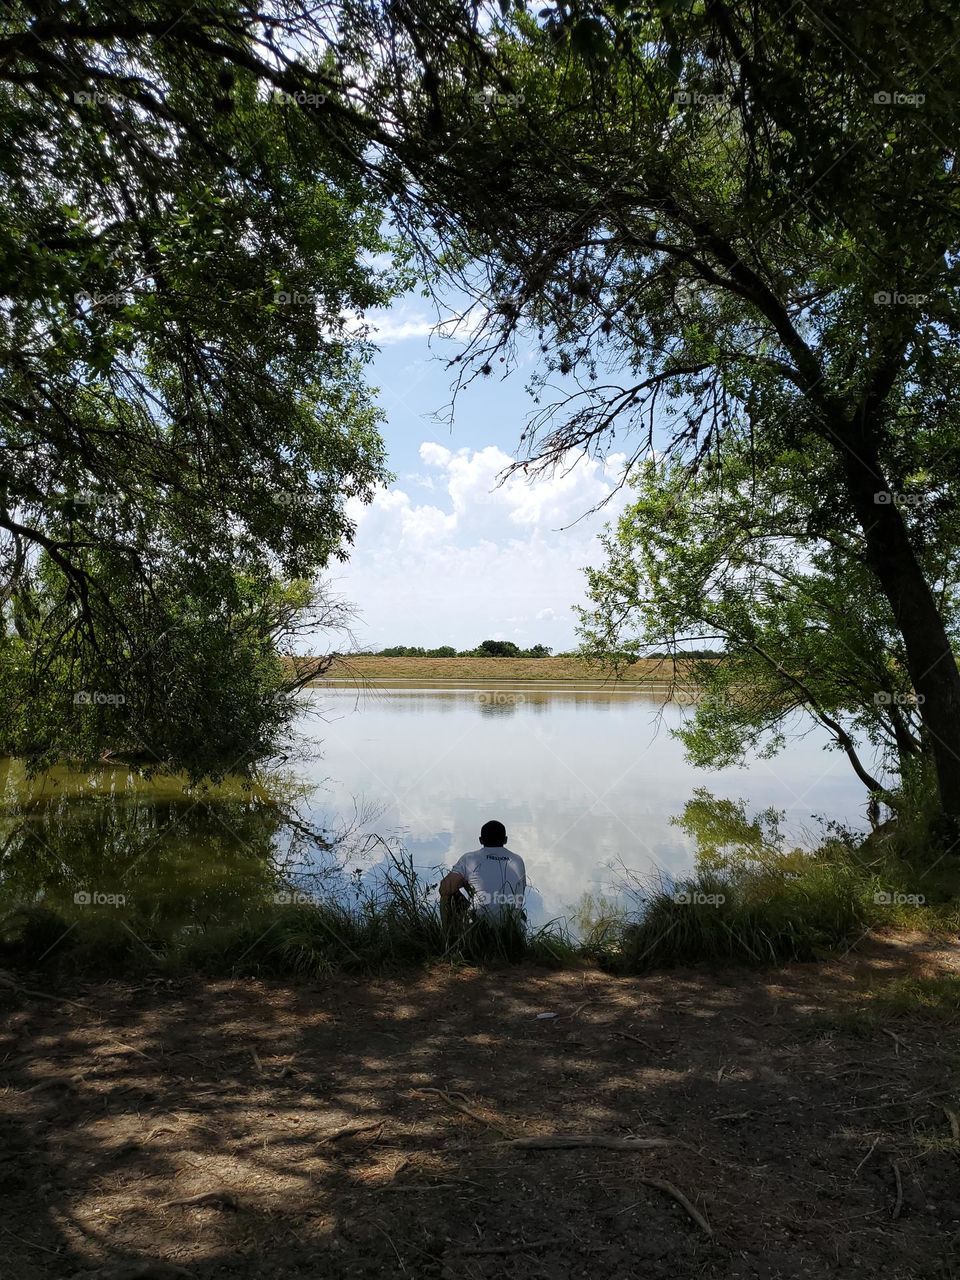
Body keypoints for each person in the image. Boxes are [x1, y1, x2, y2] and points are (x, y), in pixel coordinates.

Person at [438, 819, 526, 928]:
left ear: (480, 840)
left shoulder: (469, 859)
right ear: (505, 840)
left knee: (448, 896)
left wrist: (465, 884)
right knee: (519, 911)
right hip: (510, 925)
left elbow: (444, 888)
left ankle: (449, 937)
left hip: (480, 925)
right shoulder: (517, 860)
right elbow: (520, 891)